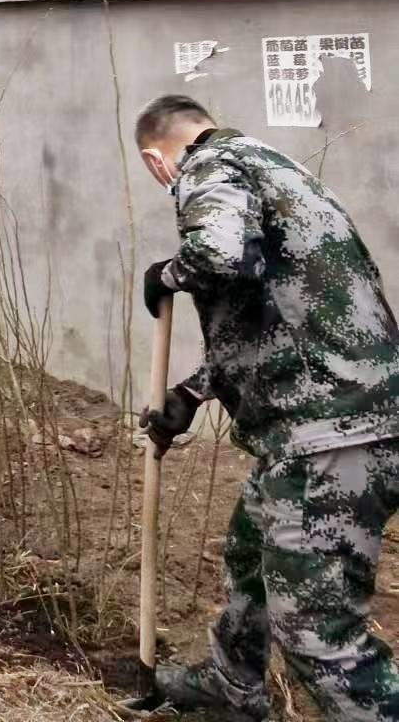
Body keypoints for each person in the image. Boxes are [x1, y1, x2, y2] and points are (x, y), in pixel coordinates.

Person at [134, 95, 399, 722]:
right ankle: (233, 683)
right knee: (251, 551)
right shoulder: (275, 169)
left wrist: (168, 274)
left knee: (316, 624)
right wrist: (193, 393)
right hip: (347, 415)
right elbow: (280, 314)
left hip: (329, 430)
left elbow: (222, 257)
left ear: (156, 161)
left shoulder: (206, 166)